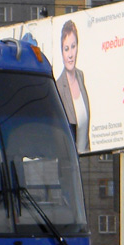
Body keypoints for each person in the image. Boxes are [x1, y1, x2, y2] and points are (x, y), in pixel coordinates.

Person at [55, 20, 89, 153]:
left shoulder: (81, 77)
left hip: (87, 158)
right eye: (66, 48)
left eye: (73, 46)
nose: (70, 54)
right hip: (69, 161)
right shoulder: (58, 87)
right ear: (61, 52)